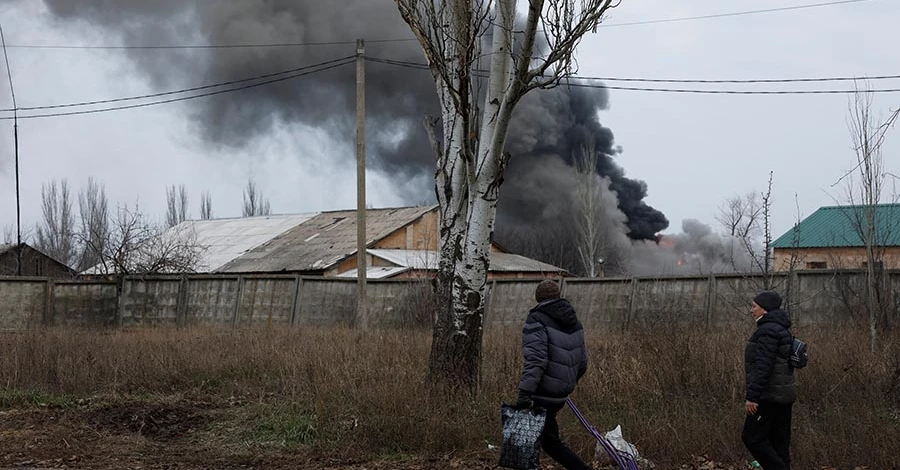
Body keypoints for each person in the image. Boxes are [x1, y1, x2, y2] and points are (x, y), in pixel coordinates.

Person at [517, 279, 591, 470]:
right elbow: (583, 362)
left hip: (541, 393)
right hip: (560, 393)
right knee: (536, 438)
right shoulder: (575, 321)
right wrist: (566, 382)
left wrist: (525, 393)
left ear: (538, 298)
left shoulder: (536, 319)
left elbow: (536, 361)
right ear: (558, 296)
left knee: (541, 441)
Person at [742, 290, 796, 470]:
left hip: (768, 396)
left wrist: (753, 397)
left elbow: (763, 366)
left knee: (752, 437)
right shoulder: (781, 328)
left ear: (764, 310)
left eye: (754, 306)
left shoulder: (767, 331)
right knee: (779, 443)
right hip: (784, 395)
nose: (752, 310)